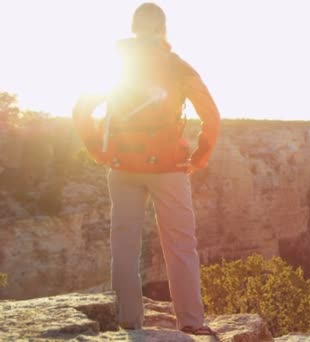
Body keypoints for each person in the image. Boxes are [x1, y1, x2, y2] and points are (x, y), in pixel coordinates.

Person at [72, 2, 220, 336]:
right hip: (169, 168)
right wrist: (199, 157)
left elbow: (81, 111)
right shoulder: (177, 66)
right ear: (163, 29)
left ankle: (128, 321)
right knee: (180, 246)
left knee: (124, 244)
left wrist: (99, 149)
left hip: (122, 166)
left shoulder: (115, 64)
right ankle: (192, 323)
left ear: (134, 27)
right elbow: (211, 116)